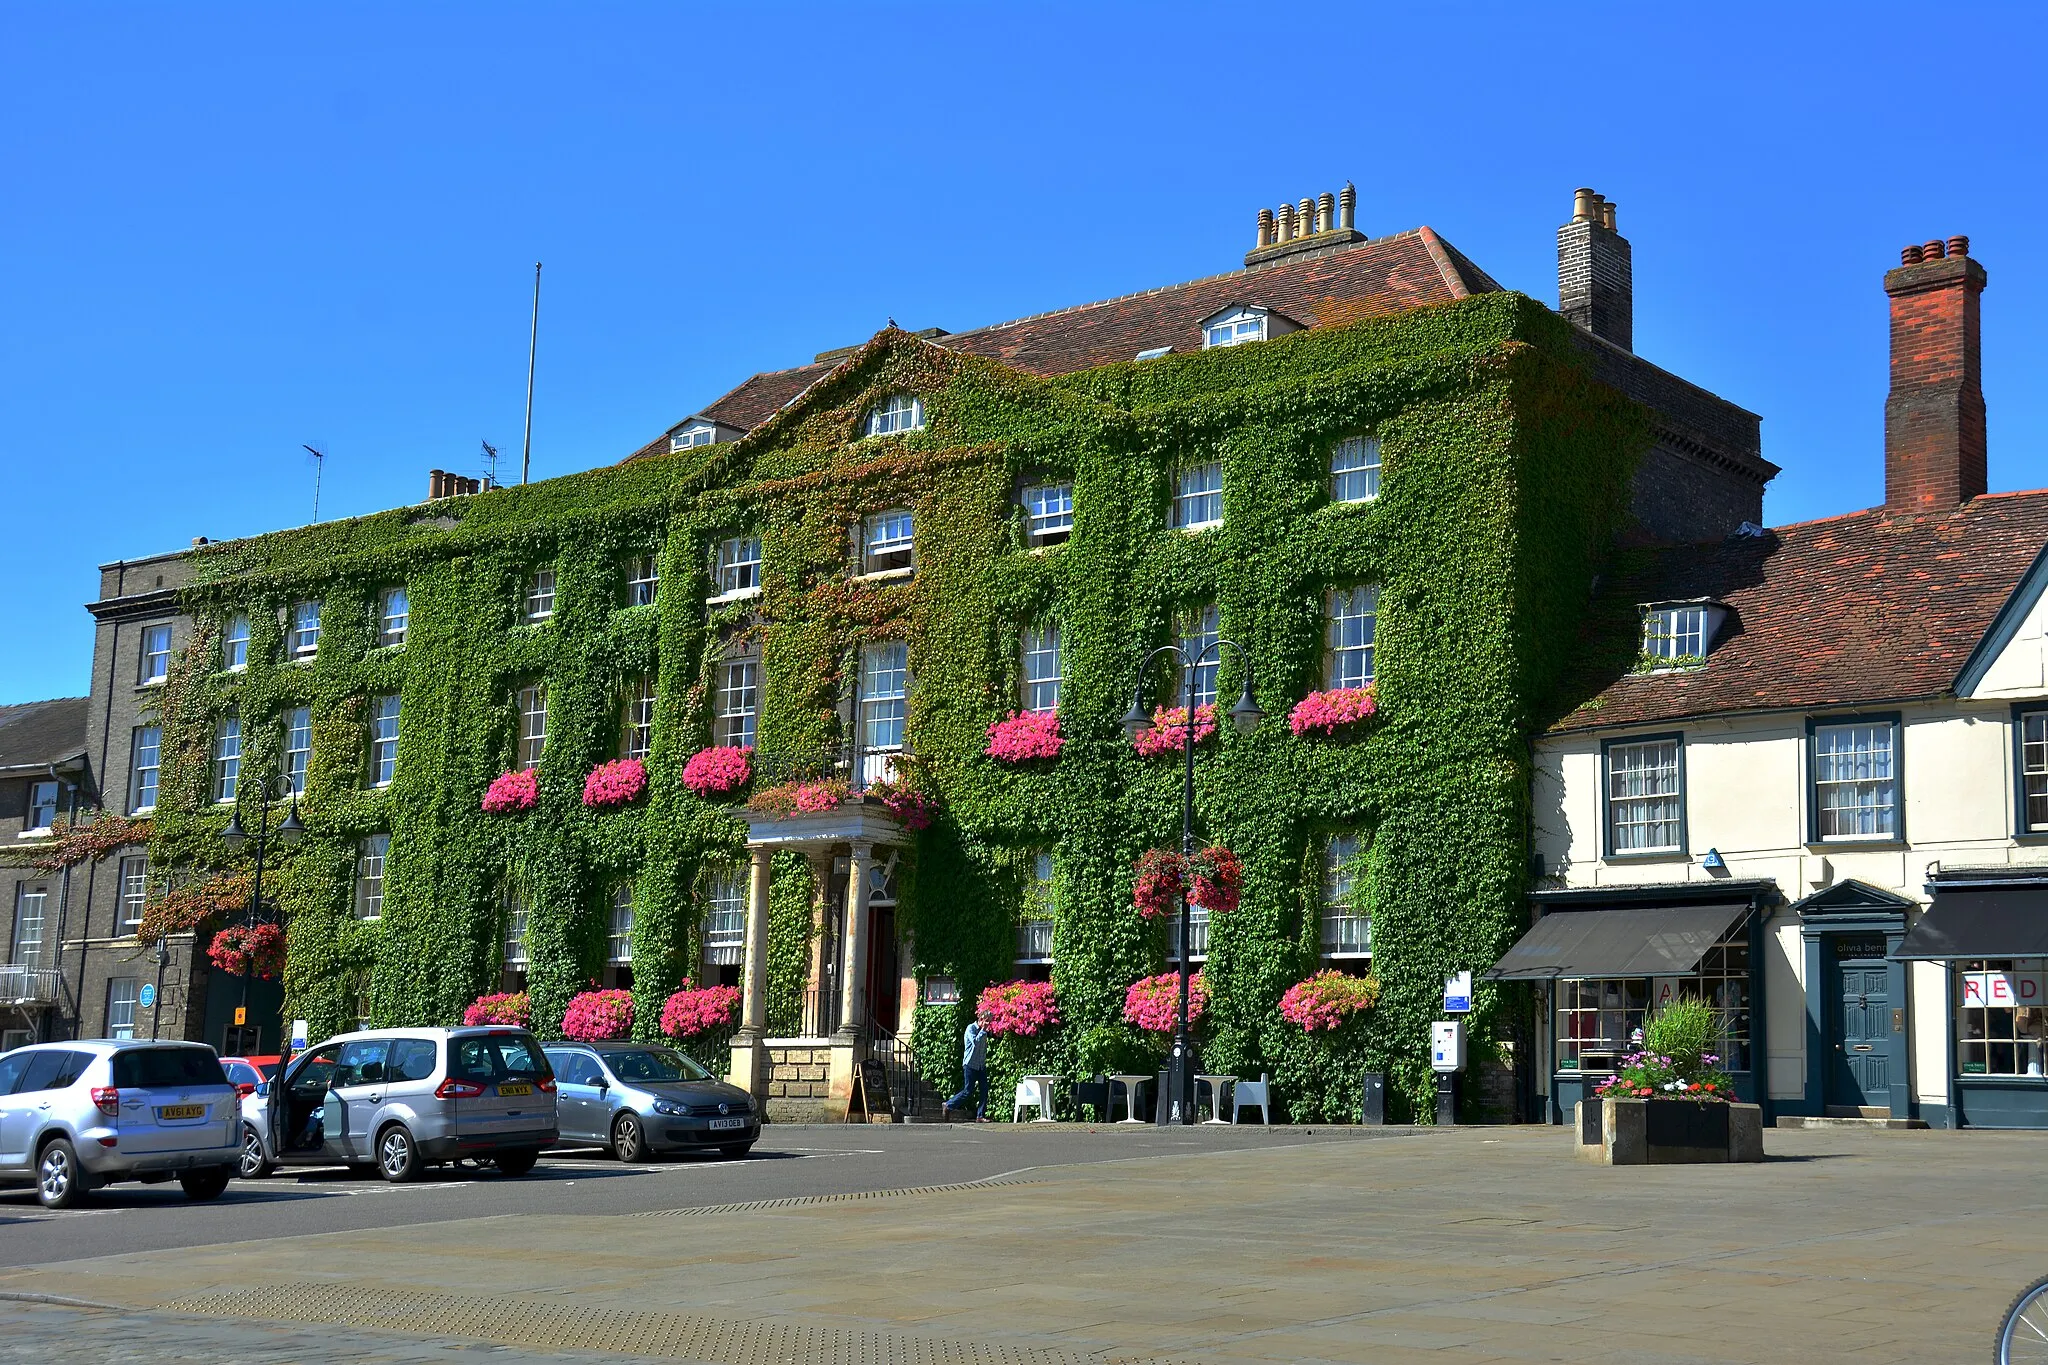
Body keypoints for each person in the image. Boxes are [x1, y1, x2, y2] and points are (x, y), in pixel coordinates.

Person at [945, 1017, 990, 1121]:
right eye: (987, 1021)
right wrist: (983, 1030)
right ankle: (948, 1105)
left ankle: (980, 1116)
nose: (988, 1024)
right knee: (968, 1091)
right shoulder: (971, 1028)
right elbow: (975, 1043)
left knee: (984, 1090)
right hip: (970, 1064)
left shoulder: (983, 1031)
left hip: (980, 1065)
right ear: (981, 1019)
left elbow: (982, 1049)